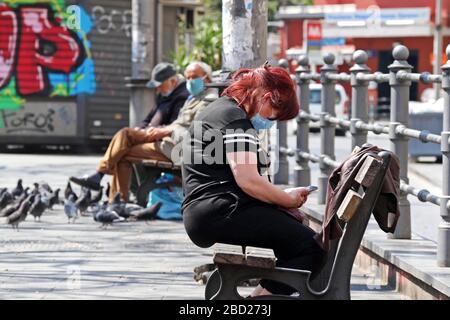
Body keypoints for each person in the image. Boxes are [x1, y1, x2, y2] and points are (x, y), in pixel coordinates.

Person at [181, 63, 325, 297]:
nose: (270, 122)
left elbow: (246, 179)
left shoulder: (222, 110)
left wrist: (281, 196)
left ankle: (257, 298)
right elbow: (248, 180)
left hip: (212, 209)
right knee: (312, 246)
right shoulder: (234, 119)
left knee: (297, 238)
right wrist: (287, 200)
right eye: (274, 116)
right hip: (219, 212)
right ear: (266, 98)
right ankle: (258, 302)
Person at [70, 61, 217, 202]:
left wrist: (166, 131)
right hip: (166, 143)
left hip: (177, 150)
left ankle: (103, 179)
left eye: (195, 77)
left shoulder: (208, 100)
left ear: (207, 77)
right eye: (188, 77)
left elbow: (195, 134)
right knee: (124, 145)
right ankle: (116, 201)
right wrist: (158, 130)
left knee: (125, 140)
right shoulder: (194, 97)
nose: (190, 81)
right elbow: (168, 122)